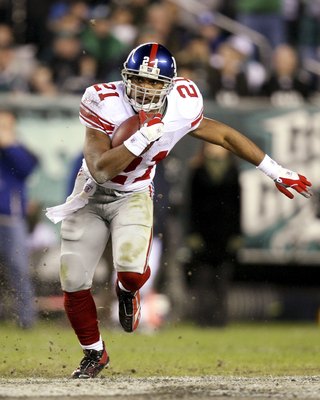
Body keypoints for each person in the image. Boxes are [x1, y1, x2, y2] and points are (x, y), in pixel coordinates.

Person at [45, 42, 312, 379]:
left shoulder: (184, 103)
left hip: (134, 194)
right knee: (73, 279)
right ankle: (94, 353)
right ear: (125, 78)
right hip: (91, 194)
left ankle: (127, 293)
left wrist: (275, 170)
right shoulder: (102, 99)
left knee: (129, 271)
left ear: (170, 85)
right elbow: (100, 169)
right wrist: (140, 139)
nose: (146, 88)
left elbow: (225, 136)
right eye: (139, 80)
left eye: (156, 83)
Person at [186, 143, 241, 327]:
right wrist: (192, 233)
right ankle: (202, 319)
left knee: (223, 281)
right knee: (202, 279)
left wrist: (237, 234)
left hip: (225, 233)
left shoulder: (233, 171)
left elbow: (237, 205)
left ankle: (221, 319)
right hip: (203, 232)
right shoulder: (197, 170)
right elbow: (191, 205)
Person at [0, 109, 39, 328]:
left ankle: (26, 319)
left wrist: (10, 145)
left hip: (11, 219)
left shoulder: (18, 150)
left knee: (18, 271)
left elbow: (28, 167)